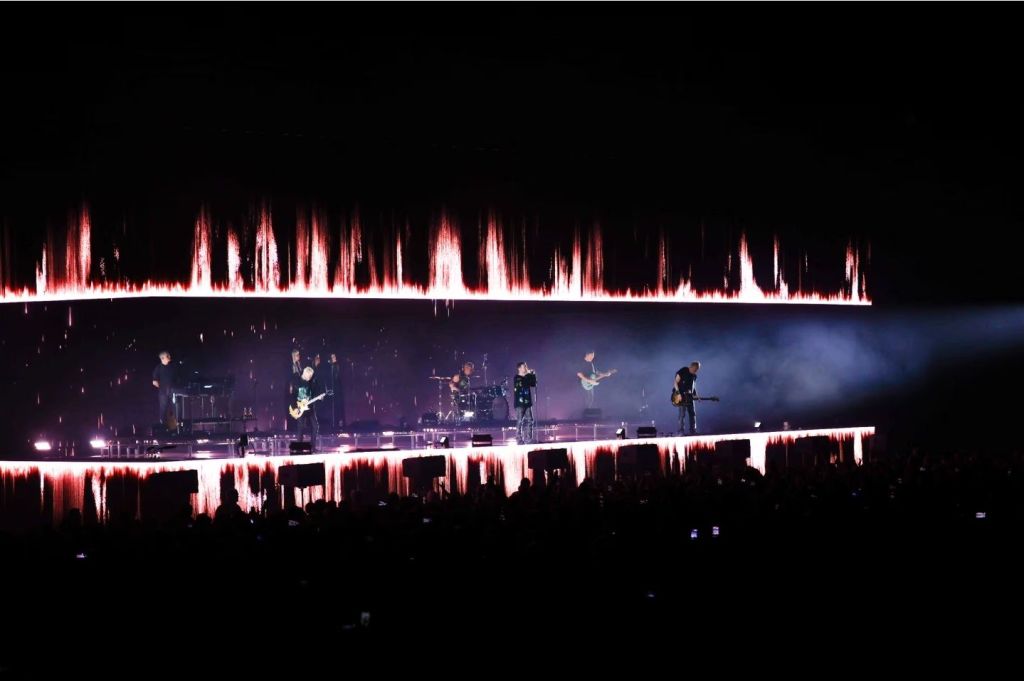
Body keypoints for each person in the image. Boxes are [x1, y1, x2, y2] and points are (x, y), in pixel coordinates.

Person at [289, 366, 323, 448]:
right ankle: (299, 447)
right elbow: (293, 396)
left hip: (309, 407)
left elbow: (314, 393)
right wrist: (294, 407)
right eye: (309, 376)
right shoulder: (297, 382)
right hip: (300, 407)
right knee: (301, 427)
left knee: (315, 426)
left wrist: (319, 397)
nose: (310, 377)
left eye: (311, 376)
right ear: (305, 374)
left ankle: (312, 447)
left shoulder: (311, 382)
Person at [151, 350, 178, 425]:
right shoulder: (158, 368)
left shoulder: (172, 366)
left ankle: (176, 424)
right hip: (163, 392)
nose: (169, 357)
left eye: (169, 356)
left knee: (175, 407)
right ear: (162, 358)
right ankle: (162, 424)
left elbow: (177, 378)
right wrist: (162, 387)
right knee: (163, 408)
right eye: (167, 356)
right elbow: (154, 382)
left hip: (173, 391)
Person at [674, 361, 701, 435]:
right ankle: (680, 431)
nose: (696, 371)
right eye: (695, 369)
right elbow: (675, 382)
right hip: (681, 395)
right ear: (691, 367)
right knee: (682, 414)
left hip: (689, 396)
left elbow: (693, 387)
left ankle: (693, 431)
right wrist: (678, 394)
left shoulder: (694, 376)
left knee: (692, 413)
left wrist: (696, 395)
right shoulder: (683, 370)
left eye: (697, 370)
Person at [513, 362, 537, 444]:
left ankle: (528, 439)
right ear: (519, 368)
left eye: (526, 367)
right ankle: (519, 439)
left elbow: (533, 384)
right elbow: (523, 383)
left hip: (528, 402)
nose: (526, 368)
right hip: (520, 403)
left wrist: (533, 375)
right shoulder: (517, 378)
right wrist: (528, 374)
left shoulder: (527, 376)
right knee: (520, 421)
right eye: (524, 367)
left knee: (530, 420)